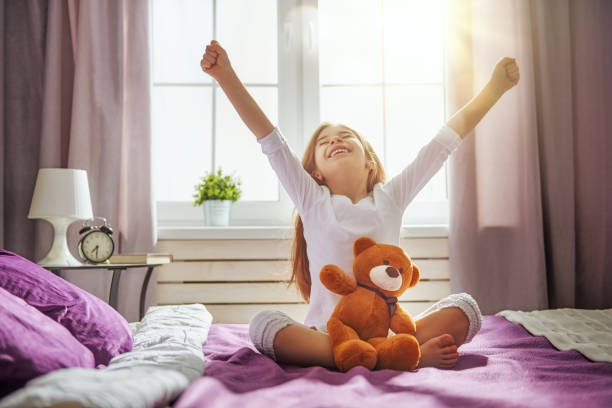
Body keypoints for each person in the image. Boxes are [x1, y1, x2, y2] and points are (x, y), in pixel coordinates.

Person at [200, 40, 520, 370]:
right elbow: (270, 140)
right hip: (328, 335)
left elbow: (441, 145)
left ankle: (372, 354)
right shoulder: (313, 199)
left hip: (385, 330)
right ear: (316, 174)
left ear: (369, 161)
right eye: (324, 142)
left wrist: (493, 90)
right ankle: (392, 355)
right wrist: (225, 75)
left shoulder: (391, 197)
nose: (334, 141)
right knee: (264, 325)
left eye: (344, 136)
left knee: (465, 308)